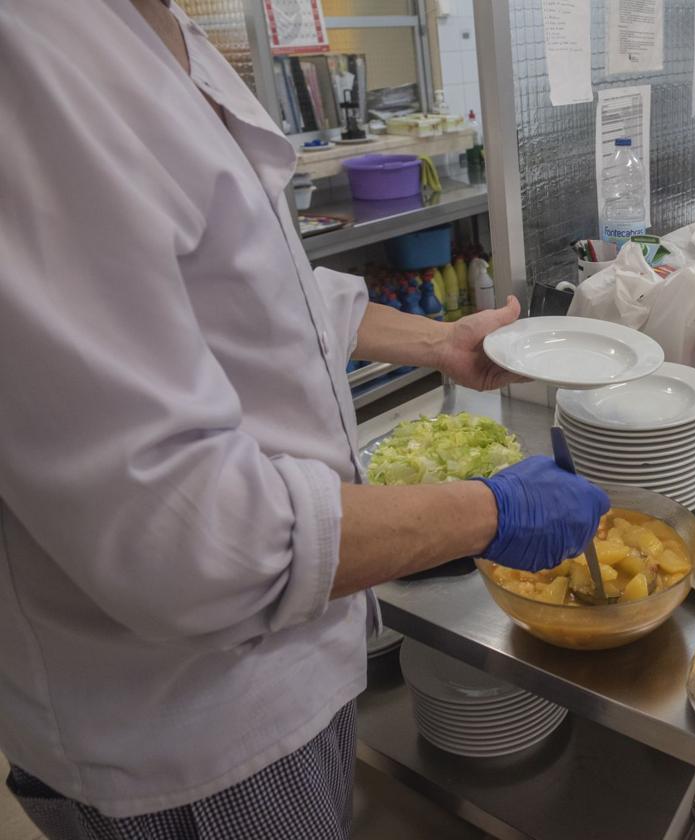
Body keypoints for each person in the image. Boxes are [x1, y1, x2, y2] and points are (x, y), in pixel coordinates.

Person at [0, 2, 608, 838]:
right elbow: (189, 536)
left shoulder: (163, 33)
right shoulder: (30, 60)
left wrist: (441, 341)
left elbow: (265, 296)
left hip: (280, 672)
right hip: (185, 742)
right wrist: (487, 511)